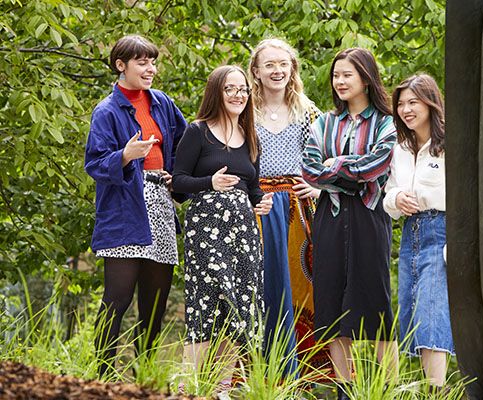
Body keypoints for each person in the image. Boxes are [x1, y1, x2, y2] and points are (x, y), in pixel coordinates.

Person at [84, 34, 187, 378]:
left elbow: (188, 143)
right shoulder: (106, 111)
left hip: (160, 203)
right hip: (124, 209)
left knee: (155, 305)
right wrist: (125, 155)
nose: (151, 69)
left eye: (153, 62)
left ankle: (144, 377)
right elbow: (94, 164)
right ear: (121, 65)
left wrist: (181, 176)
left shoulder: (161, 102)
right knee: (117, 300)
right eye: (142, 62)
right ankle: (103, 378)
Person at [301, 48, 398, 400]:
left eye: (348, 75)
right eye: (336, 75)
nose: (340, 81)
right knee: (332, 301)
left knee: (375, 302)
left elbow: (377, 167)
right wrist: (348, 170)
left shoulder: (387, 123)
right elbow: (309, 168)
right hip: (330, 217)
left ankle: (384, 389)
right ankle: (345, 388)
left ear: (366, 79)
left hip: (370, 218)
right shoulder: (323, 122)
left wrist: (334, 166)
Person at [172, 65, 273, 390]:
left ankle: (221, 389)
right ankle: (189, 387)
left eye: (243, 89)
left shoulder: (250, 135)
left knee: (239, 306)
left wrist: (262, 201)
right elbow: (178, 184)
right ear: (217, 92)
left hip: (243, 231)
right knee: (205, 302)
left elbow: (252, 185)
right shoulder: (197, 131)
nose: (238, 95)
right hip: (206, 228)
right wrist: (210, 183)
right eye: (230, 89)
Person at [247, 38, 327, 377]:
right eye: (269, 65)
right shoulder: (244, 109)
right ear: (256, 71)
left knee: (300, 287)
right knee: (255, 286)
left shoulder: (307, 111)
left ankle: (298, 378)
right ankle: (252, 376)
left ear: (292, 68)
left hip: (297, 209)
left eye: (283, 64)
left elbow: (327, 158)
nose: (277, 70)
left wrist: (318, 185)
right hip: (258, 206)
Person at [384, 74, 453, 391]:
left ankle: (436, 390)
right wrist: (397, 198)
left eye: (413, 102)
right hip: (411, 233)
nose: (406, 109)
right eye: (401, 104)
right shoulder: (399, 148)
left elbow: (466, 196)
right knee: (412, 313)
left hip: (442, 232)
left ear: (430, 103)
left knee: (432, 311)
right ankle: (431, 388)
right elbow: (389, 196)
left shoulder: (450, 145)